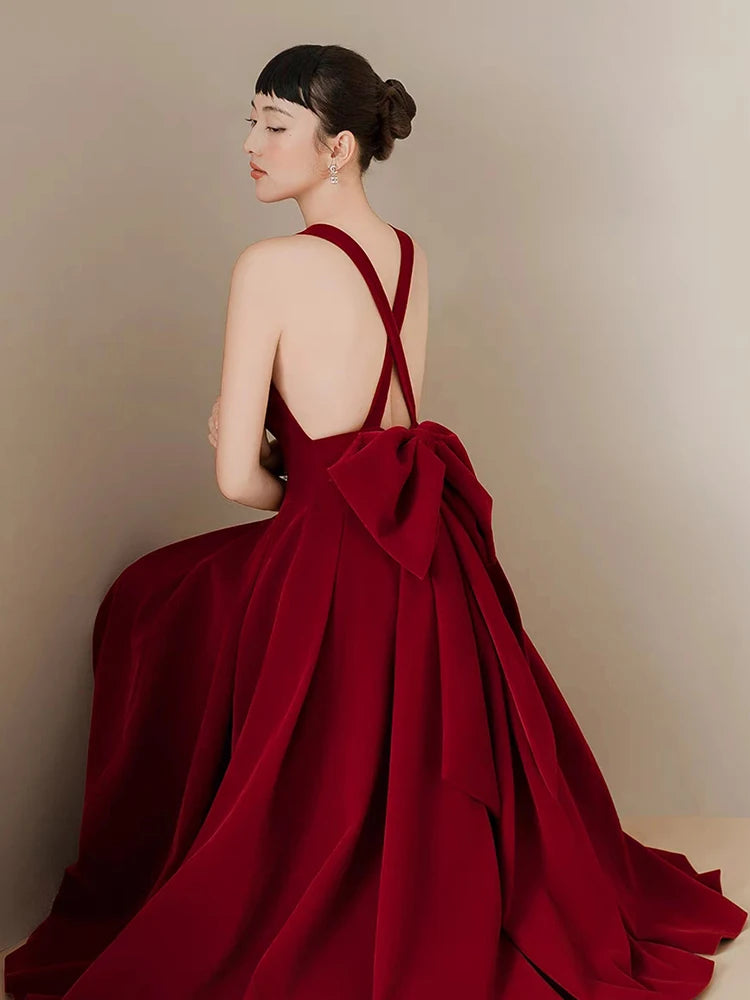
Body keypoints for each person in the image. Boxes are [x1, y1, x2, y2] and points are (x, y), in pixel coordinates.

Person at [4, 42, 747, 1000]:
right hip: (426, 554)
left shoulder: (268, 266)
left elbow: (238, 482)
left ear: (340, 147)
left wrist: (262, 458)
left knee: (147, 601)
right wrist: (303, 474)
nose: (250, 144)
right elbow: (383, 431)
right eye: (251, 120)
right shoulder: (410, 256)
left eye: (275, 124)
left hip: (331, 551)